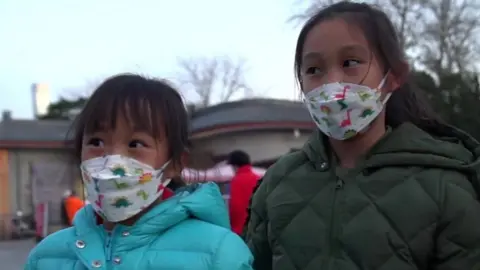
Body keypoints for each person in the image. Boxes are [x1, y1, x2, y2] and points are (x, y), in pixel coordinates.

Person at [245, 2, 480, 270]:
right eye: (313, 69)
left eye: (351, 63)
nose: (332, 83)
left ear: (393, 77)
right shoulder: (278, 181)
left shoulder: (445, 184)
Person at [25, 74, 253, 270]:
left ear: (175, 163)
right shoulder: (47, 256)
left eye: (135, 144)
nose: (111, 161)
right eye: (96, 141)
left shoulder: (219, 254)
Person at [226, 150, 261, 235]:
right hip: (257, 227)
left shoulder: (236, 180)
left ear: (235, 165)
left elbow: (235, 206)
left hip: (240, 229)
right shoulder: (258, 178)